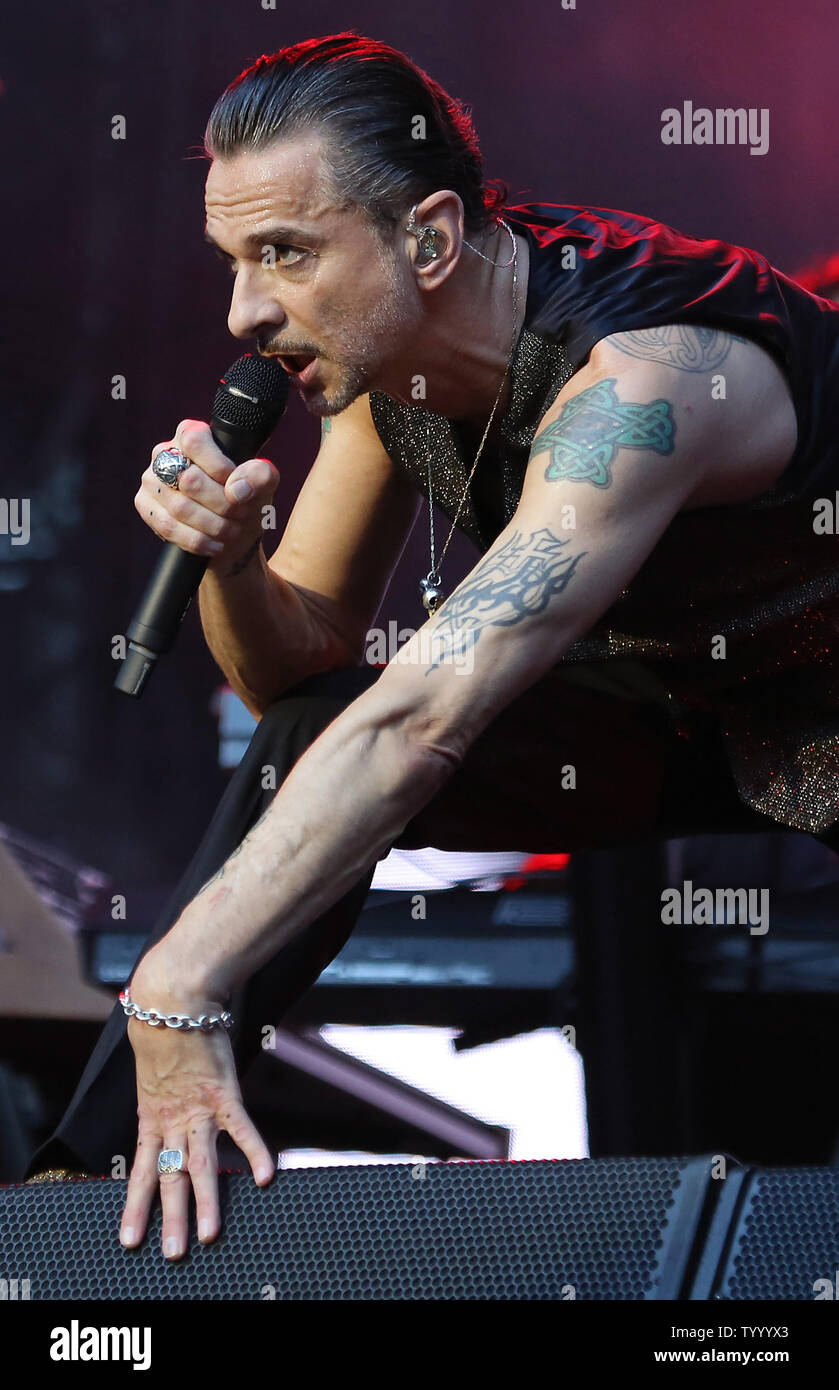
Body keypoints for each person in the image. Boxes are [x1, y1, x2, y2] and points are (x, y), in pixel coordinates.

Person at [26, 33, 839, 1259]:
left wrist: (177, 975)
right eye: (234, 260)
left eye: (284, 254)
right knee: (308, 735)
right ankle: (81, 1208)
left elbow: (420, 719)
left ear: (428, 237)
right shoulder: (386, 366)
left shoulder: (644, 382)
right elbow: (299, 677)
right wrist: (235, 562)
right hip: (690, 699)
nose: (244, 311)